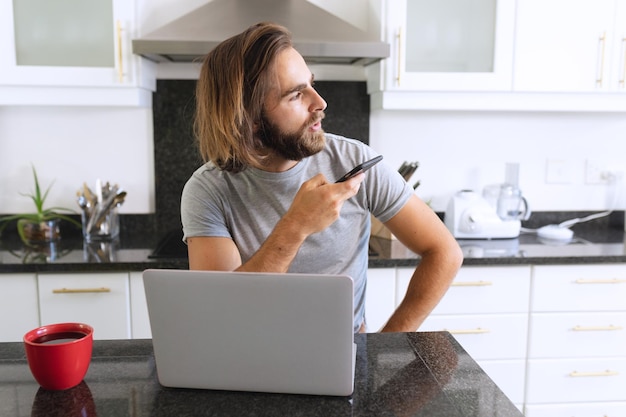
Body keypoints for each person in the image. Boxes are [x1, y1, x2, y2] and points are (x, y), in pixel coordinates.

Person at [181, 22, 463, 333]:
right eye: (296, 95)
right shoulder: (207, 190)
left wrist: (388, 341)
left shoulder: (354, 161)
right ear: (250, 118)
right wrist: (296, 226)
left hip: (346, 352)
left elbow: (445, 252)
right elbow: (224, 316)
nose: (320, 103)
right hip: (252, 353)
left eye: (311, 84)